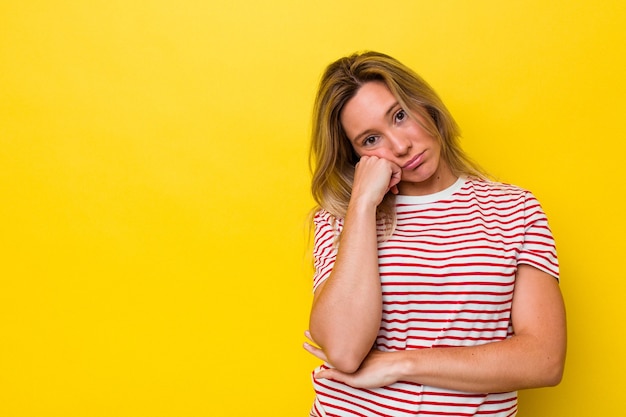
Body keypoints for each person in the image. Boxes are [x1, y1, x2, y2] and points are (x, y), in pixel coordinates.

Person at [302, 51, 566, 417]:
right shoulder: (338, 221)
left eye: (399, 115)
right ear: (355, 157)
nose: (400, 146)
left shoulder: (514, 209)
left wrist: (402, 364)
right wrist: (362, 204)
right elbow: (345, 351)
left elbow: (544, 360)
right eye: (370, 140)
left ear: (424, 105)